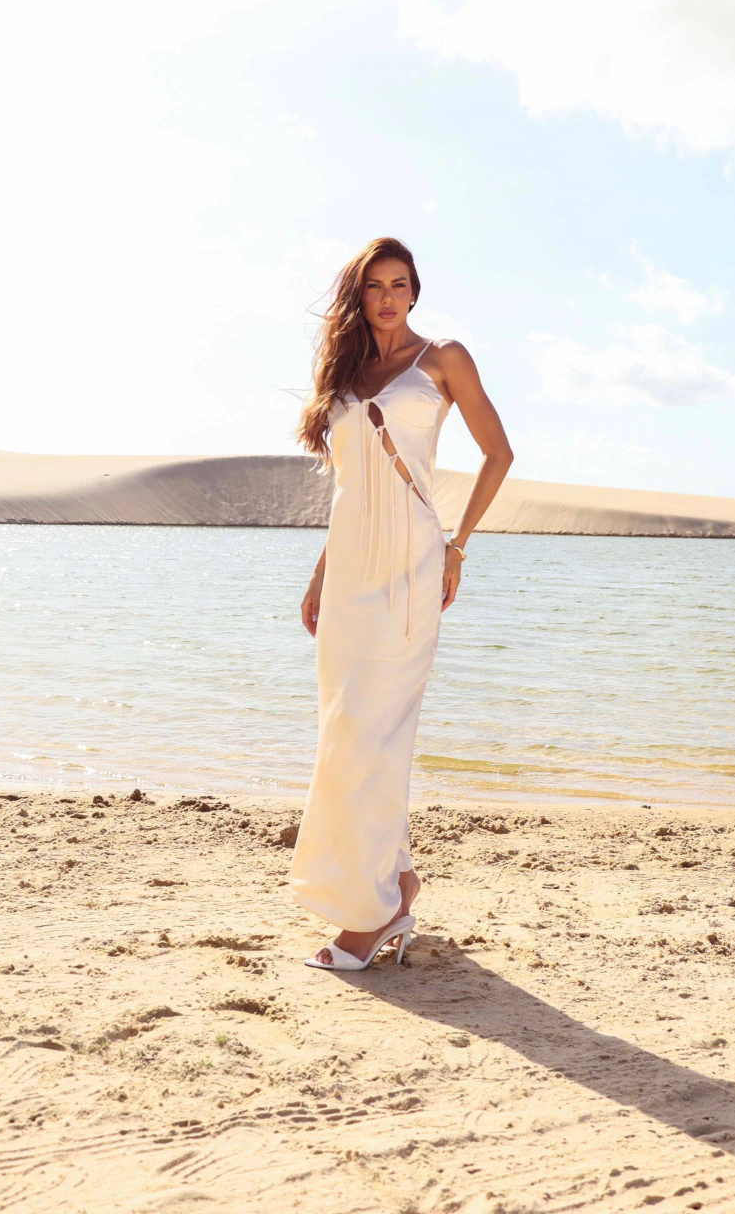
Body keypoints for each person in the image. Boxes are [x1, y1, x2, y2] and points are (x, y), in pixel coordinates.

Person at [288, 236, 514, 971]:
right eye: (375, 285)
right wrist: (320, 574)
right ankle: (398, 881)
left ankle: (372, 913)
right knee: (345, 729)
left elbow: (499, 454)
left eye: (399, 283)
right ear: (359, 295)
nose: (388, 297)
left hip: (411, 565)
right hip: (348, 570)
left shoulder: (442, 358)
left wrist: (458, 546)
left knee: (376, 731)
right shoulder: (346, 372)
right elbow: (349, 488)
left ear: (415, 291)